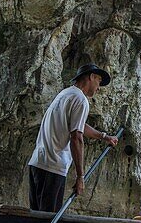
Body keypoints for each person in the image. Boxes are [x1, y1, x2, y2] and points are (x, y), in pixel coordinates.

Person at [26, 63, 118, 212]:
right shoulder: (81, 100)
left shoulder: (65, 94)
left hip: (37, 163)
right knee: (47, 221)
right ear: (91, 76)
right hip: (52, 166)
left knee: (36, 219)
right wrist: (80, 176)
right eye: (99, 81)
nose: (99, 87)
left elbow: (79, 126)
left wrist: (104, 136)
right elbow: (77, 137)